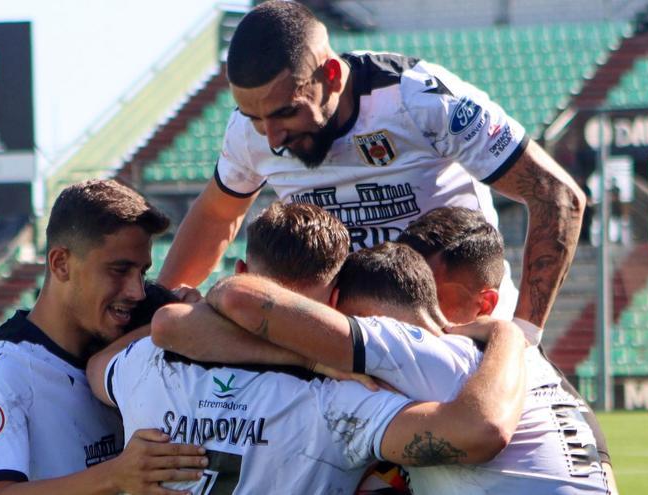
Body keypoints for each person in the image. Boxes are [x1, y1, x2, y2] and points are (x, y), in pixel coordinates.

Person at [157, 0, 586, 349]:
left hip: (453, 340)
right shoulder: (249, 134)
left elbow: (558, 195)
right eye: (254, 118)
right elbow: (217, 215)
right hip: (342, 348)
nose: (272, 138)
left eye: (286, 111)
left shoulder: (419, 99)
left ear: (329, 76)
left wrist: (523, 337)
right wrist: (162, 299)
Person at [87, 201, 527, 494]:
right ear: (336, 301)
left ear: (241, 270)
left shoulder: (146, 363)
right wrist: (510, 334)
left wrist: (195, 314)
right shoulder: (348, 399)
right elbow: (473, 434)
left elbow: (98, 367)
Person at [201, 242, 610, 493]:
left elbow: (238, 296)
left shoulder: (403, 345)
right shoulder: (521, 365)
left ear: (348, 310)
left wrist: (313, 353)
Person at [0, 180, 206, 495]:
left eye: (142, 273)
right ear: (61, 263)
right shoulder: (4, 367)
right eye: (119, 270)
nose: (136, 291)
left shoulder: (126, 351)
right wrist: (115, 475)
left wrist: (180, 320)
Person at [398, 206, 618, 493]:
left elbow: (563, 199)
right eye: (401, 292)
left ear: (485, 304)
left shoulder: (447, 364)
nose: (406, 311)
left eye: (428, 296)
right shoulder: (534, 367)